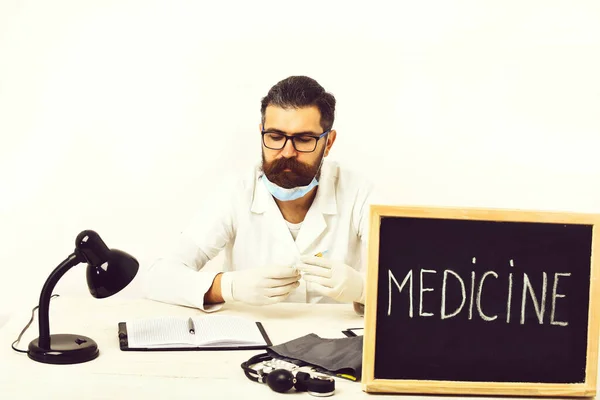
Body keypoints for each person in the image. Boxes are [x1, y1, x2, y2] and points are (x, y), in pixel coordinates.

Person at [143, 76, 374, 313]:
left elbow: (408, 286)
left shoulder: (358, 193)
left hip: (334, 343)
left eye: (304, 140)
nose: (287, 152)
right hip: (253, 341)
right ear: (261, 134)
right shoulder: (236, 192)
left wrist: (364, 289)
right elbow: (157, 278)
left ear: (328, 143)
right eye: (275, 137)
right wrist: (227, 286)